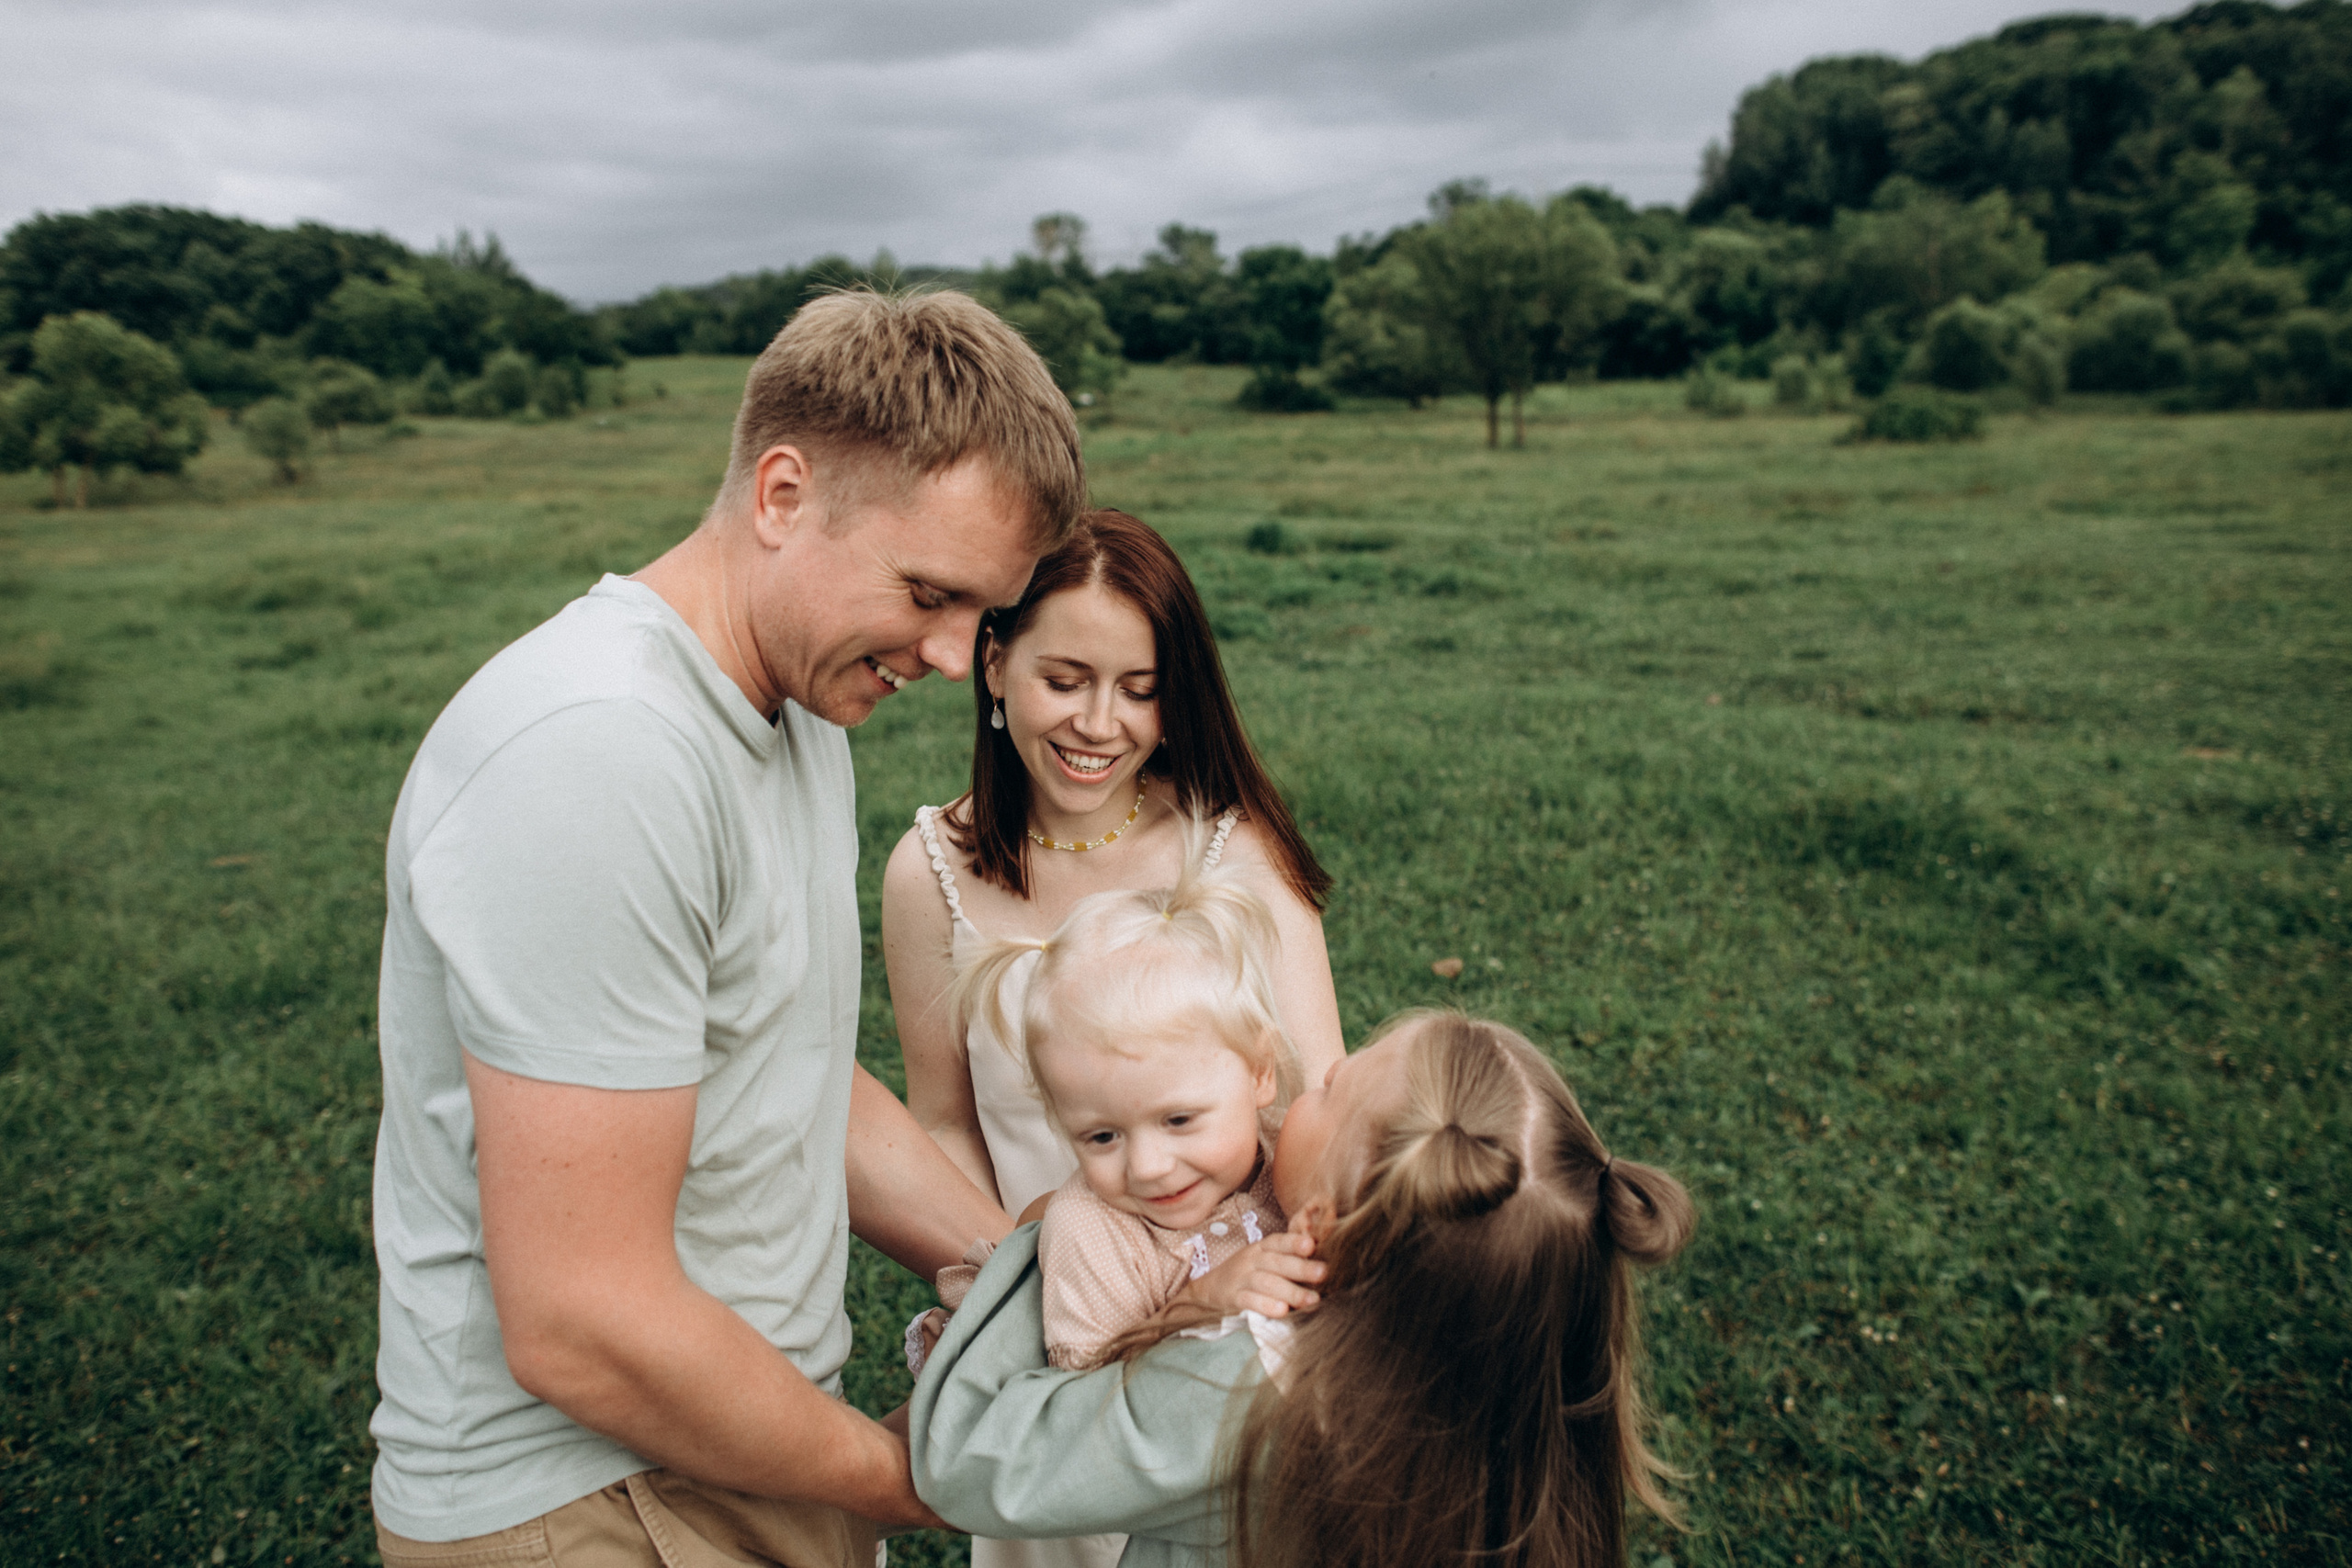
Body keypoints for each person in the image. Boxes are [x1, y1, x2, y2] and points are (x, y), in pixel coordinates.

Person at [368, 288, 1085, 1567]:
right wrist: (906, 1474)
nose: (950, 655)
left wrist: (1047, 1260)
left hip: (734, 1441)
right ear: (781, 494)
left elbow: (786, 1065)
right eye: (928, 592)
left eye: (984, 613)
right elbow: (580, 1318)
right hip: (591, 1499)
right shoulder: (600, 752)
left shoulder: (801, 701)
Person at [882, 509, 1344, 1568]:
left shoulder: (1232, 854)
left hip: (1233, 1345)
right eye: (1066, 679)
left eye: (1141, 690)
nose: (1101, 723)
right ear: (994, 665)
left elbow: (1319, 1095)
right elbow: (943, 1120)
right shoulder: (931, 876)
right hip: (1055, 1334)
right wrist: (998, 1289)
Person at [909, 1010, 1698, 1568]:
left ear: (1318, 1222)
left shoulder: (1246, 1383)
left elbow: (972, 1457)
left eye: (1329, 1086)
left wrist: (1055, 1238)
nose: (1309, 1079)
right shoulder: (1486, 1367)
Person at [948, 847, 1328, 1372]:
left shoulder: (1290, 1148)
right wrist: (1197, 1305)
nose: (1148, 1166)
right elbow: (1082, 1408)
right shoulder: (1092, 1232)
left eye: (1178, 1120)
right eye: (1102, 1137)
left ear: (1260, 1072)